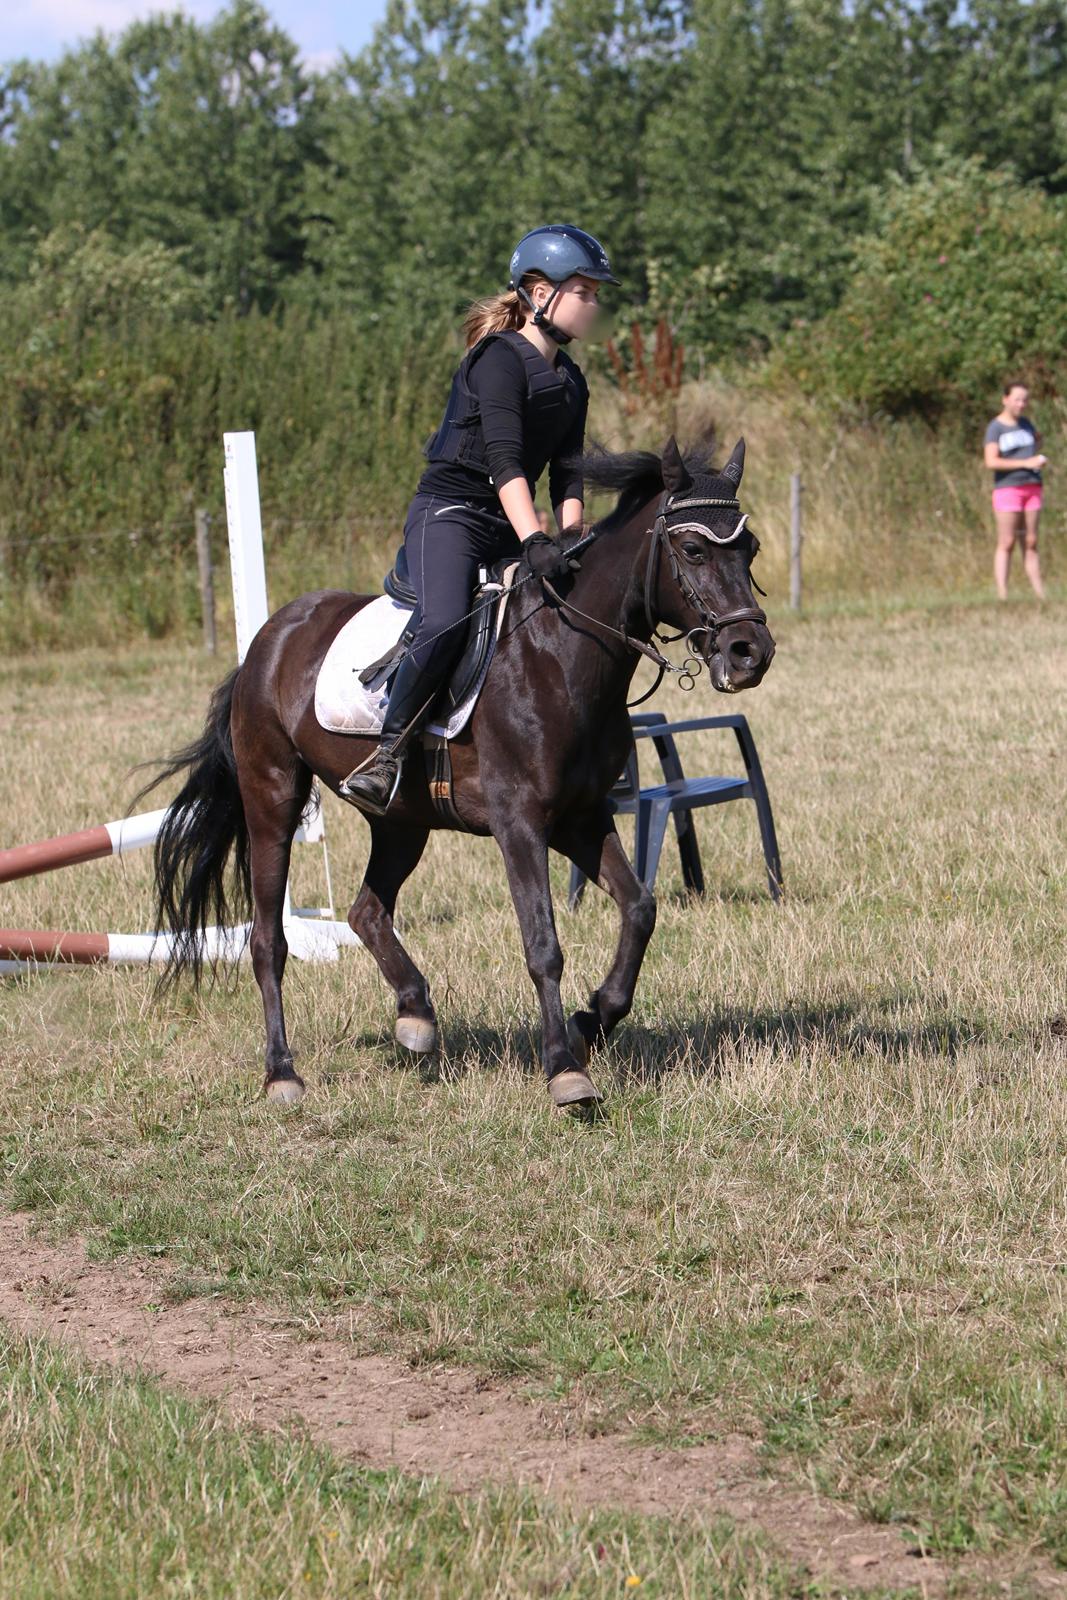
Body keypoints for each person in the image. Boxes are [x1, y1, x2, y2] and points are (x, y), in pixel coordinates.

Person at [341, 224, 617, 814]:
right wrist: (534, 536)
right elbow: (504, 461)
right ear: (540, 293)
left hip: (507, 522)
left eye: (596, 294)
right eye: (585, 292)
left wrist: (570, 538)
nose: (594, 305)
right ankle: (388, 754)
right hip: (451, 515)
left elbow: (568, 473)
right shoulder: (497, 360)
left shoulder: (571, 380)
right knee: (445, 618)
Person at [984, 380, 1047, 600]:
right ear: (1005, 399)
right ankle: (1003, 594)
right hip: (1008, 488)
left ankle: (1040, 595)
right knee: (1007, 541)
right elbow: (991, 461)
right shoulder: (995, 428)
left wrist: (1037, 456)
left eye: (1025, 400)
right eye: (1017, 399)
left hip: (1032, 486)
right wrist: (1025, 463)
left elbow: (1035, 444)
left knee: (1030, 541)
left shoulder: (1026, 424)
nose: (1021, 404)